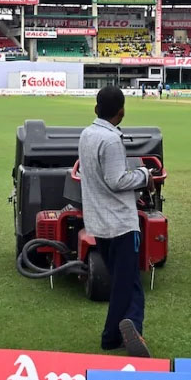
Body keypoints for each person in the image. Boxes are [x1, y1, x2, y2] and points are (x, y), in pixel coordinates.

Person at [78, 85, 155, 358]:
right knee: (126, 284)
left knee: (129, 281)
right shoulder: (110, 140)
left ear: (96, 108)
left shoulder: (87, 134)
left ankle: (132, 325)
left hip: (98, 221)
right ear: (121, 112)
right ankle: (113, 335)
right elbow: (116, 180)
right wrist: (144, 176)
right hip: (120, 223)